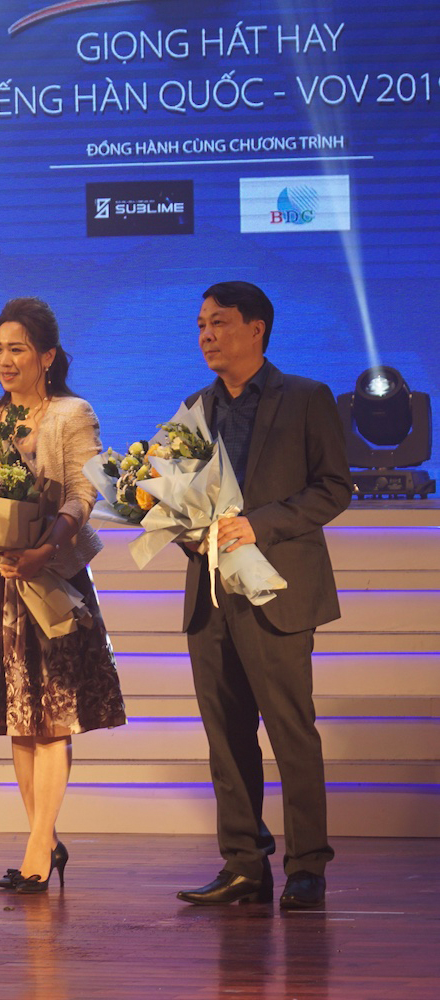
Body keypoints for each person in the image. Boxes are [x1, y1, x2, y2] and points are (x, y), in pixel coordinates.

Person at [175, 281, 352, 910]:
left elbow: (334, 487)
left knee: (290, 732)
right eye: (201, 324)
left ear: (257, 329)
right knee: (226, 738)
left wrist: (260, 524)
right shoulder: (194, 408)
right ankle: (243, 864)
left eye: (219, 322)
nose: (207, 335)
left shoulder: (305, 397)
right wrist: (182, 529)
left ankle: (307, 866)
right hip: (211, 596)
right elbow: (179, 495)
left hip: (277, 591)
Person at [0, 297, 126, 894]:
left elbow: (84, 494)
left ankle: (36, 850)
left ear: (47, 356)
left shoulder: (72, 413)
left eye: (18, 349)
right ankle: (44, 841)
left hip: (52, 575)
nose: (5, 360)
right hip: (0, 579)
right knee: (21, 719)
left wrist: (46, 547)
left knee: (54, 717)